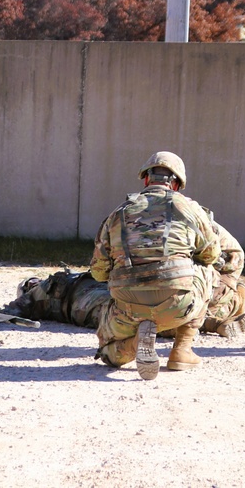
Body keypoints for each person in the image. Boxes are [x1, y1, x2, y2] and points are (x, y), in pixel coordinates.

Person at [90, 151, 220, 380]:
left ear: (146, 180)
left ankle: (133, 344)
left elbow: (99, 273)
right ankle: (182, 349)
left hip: (127, 309)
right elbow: (211, 255)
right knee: (206, 269)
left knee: (109, 355)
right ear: (177, 184)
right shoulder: (190, 209)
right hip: (178, 305)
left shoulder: (118, 212)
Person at [7, 220, 245, 339]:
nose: (33, 285)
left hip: (105, 305)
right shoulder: (52, 287)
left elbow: (15, 309)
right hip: (115, 300)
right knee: (172, 306)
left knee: (143, 318)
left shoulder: (50, 294)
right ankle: (220, 316)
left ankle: (215, 322)